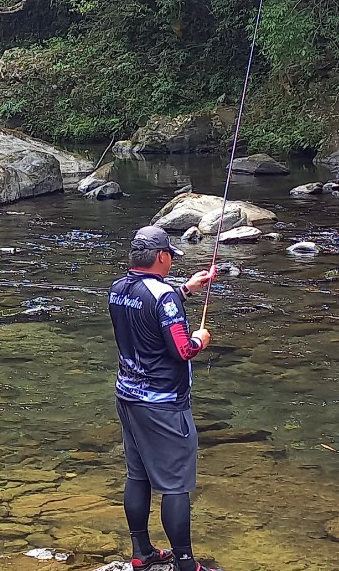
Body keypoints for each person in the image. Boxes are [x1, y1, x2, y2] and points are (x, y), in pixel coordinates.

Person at [109, 225, 222, 571]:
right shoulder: (164, 297)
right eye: (170, 254)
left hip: (128, 397)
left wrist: (187, 289)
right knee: (175, 485)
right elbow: (181, 349)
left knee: (138, 476)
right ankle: (186, 563)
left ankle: (141, 552)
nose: (171, 260)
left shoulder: (117, 289)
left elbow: (149, 309)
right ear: (161, 256)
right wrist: (201, 339)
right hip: (162, 404)